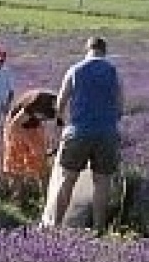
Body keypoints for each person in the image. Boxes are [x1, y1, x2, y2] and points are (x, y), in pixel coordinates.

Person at [48, 36, 124, 235]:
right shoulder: (113, 71)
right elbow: (120, 103)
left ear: (87, 49)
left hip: (78, 131)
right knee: (102, 182)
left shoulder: (75, 69)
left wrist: (61, 124)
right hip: (106, 132)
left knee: (67, 179)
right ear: (104, 51)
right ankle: (99, 229)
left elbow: (60, 103)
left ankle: (55, 226)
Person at [2, 88, 58, 206]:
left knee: (43, 169)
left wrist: (53, 144)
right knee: (17, 169)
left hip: (34, 128)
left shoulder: (57, 104)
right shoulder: (37, 102)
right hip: (16, 129)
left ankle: (47, 205)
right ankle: (16, 203)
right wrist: (32, 146)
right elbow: (15, 125)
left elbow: (58, 124)